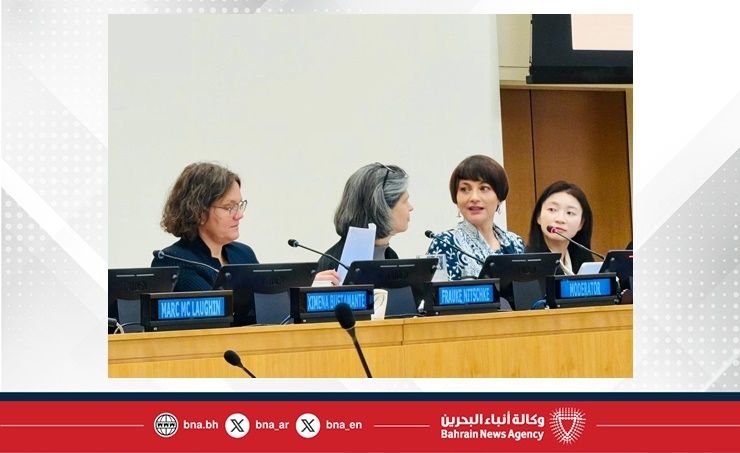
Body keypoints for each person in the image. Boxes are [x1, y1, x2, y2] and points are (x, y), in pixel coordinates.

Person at [152, 162, 340, 291]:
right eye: (229, 207)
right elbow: (221, 308)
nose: (239, 215)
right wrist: (293, 287)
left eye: (239, 205)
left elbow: (265, 299)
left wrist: (305, 285)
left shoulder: (243, 254)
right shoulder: (173, 261)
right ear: (198, 211)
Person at [427, 155, 525, 280]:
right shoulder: (444, 243)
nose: (474, 198)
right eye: (464, 189)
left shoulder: (515, 242)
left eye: (484, 188)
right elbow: (436, 291)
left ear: (499, 197)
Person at [317, 162, 413, 272]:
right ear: (382, 208)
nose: (411, 207)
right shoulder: (334, 266)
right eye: (405, 201)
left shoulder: (391, 256)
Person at [527, 180, 594, 275]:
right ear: (538, 217)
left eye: (570, 213)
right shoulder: (527, 265)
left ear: (581, 223)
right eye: (552, 209)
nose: (560, 219)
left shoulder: (585, 264)